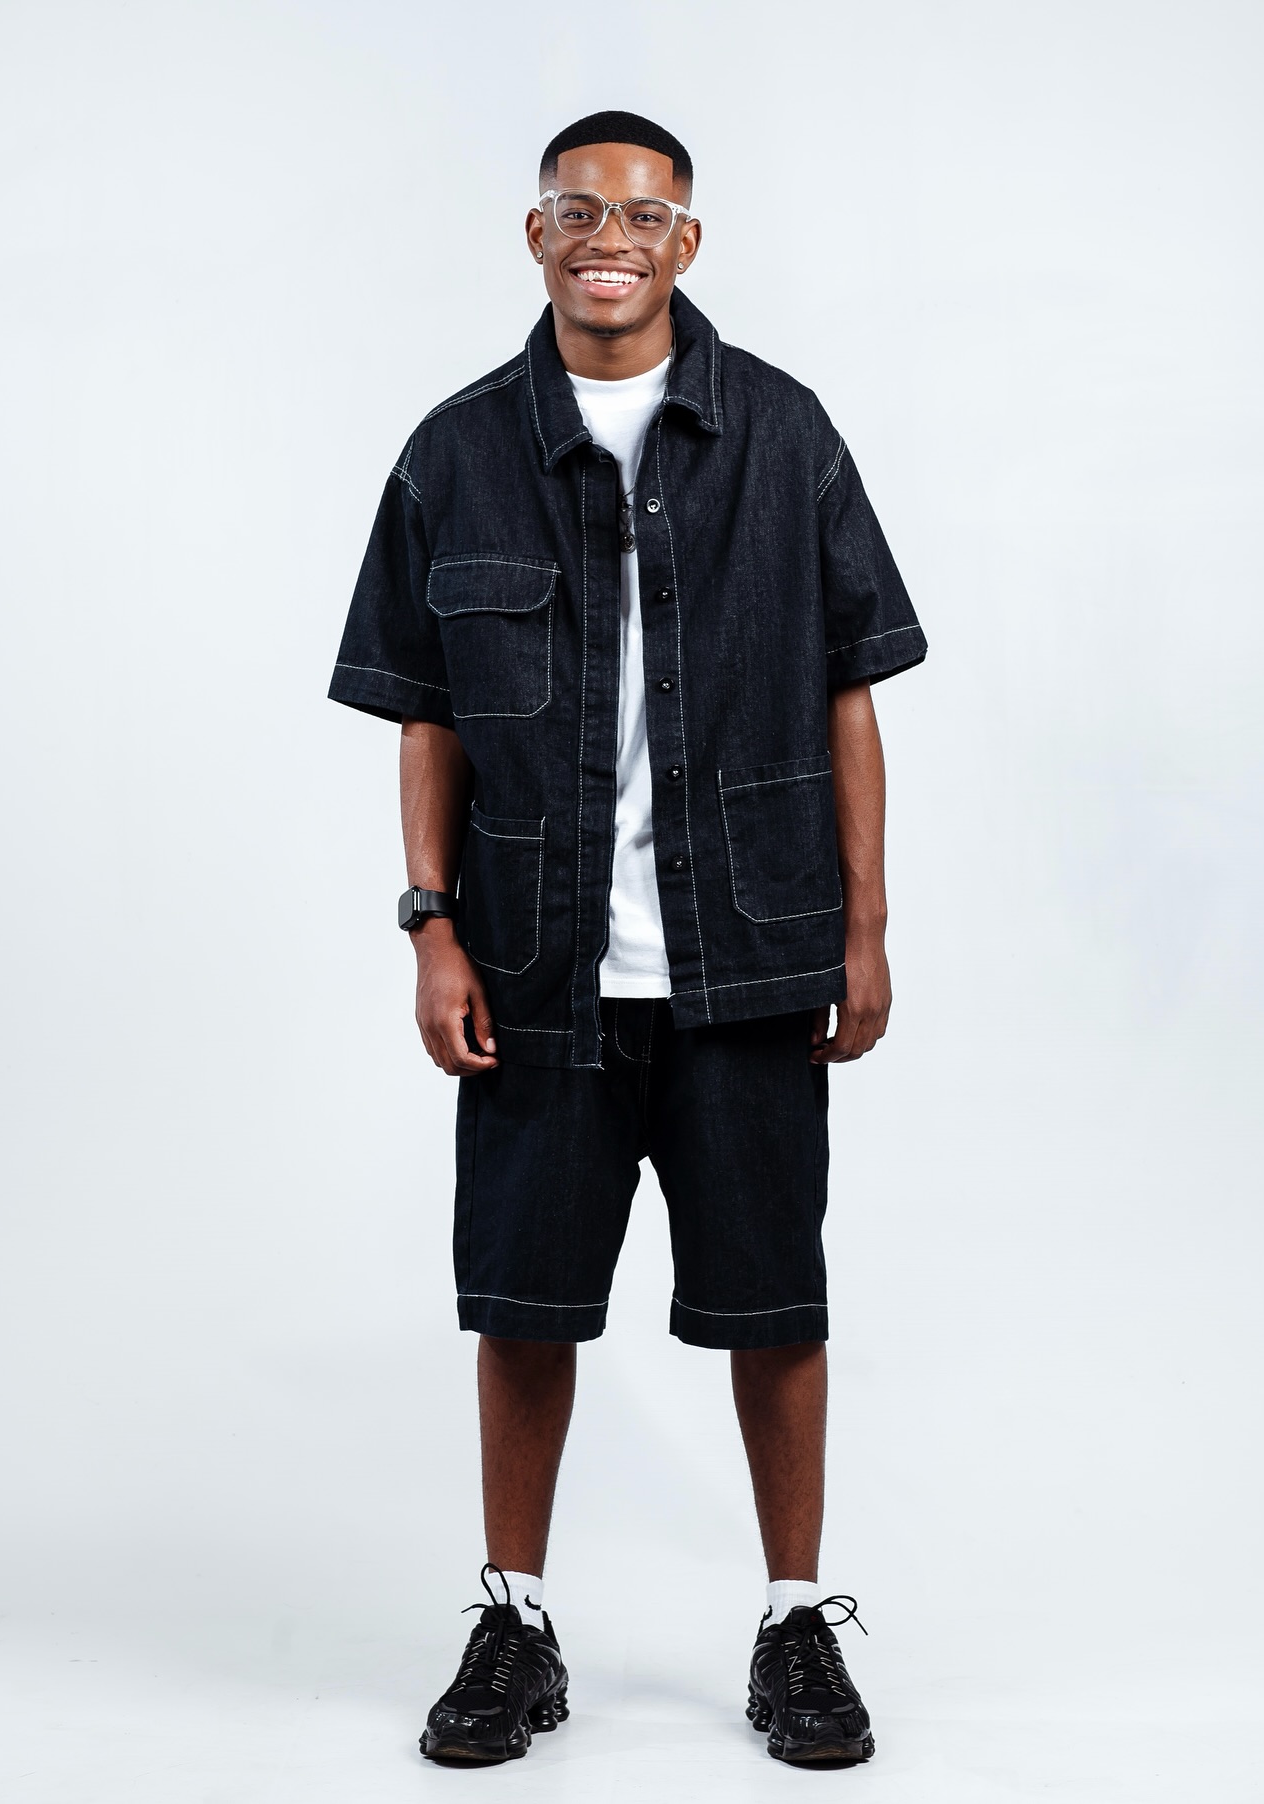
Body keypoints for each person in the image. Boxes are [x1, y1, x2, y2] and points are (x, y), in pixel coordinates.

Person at [329, 109, 926, 1767]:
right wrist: (430, 926)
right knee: (524, 1306)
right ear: (537, 235)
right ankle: (513, 1617)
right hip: (534, 969)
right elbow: (426, 712)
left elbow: (851, 692)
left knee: (774, 1304)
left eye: (645, 214)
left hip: (752, 958)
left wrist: (867, 927)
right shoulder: (457, 452)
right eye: (579, 210)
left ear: (687, 241)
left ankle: (795, 1621)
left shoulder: (784, 437)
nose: (612, 238)